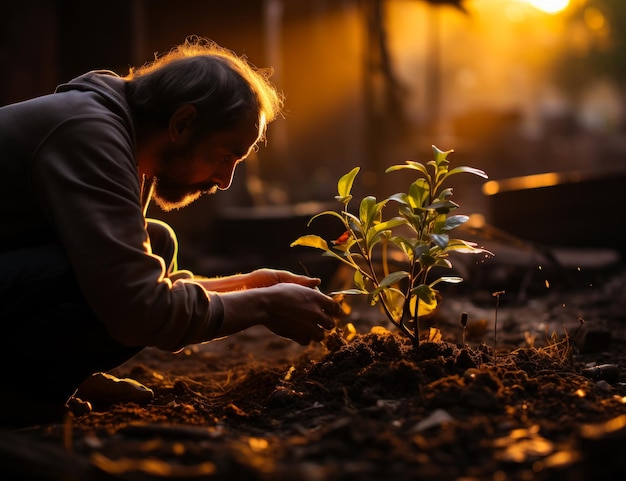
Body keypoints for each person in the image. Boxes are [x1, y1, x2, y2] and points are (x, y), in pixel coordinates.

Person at [0, 36, 342, 425]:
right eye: (225, 155)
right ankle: (15, 392)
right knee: (109, 282)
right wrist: (263, 306)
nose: (225, 180)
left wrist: (249, 286)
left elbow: (137, 279)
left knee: (156, 241)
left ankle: (51, 379)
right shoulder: (88, 134)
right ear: (182, 123)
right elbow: (137, 306)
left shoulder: (119, 133)